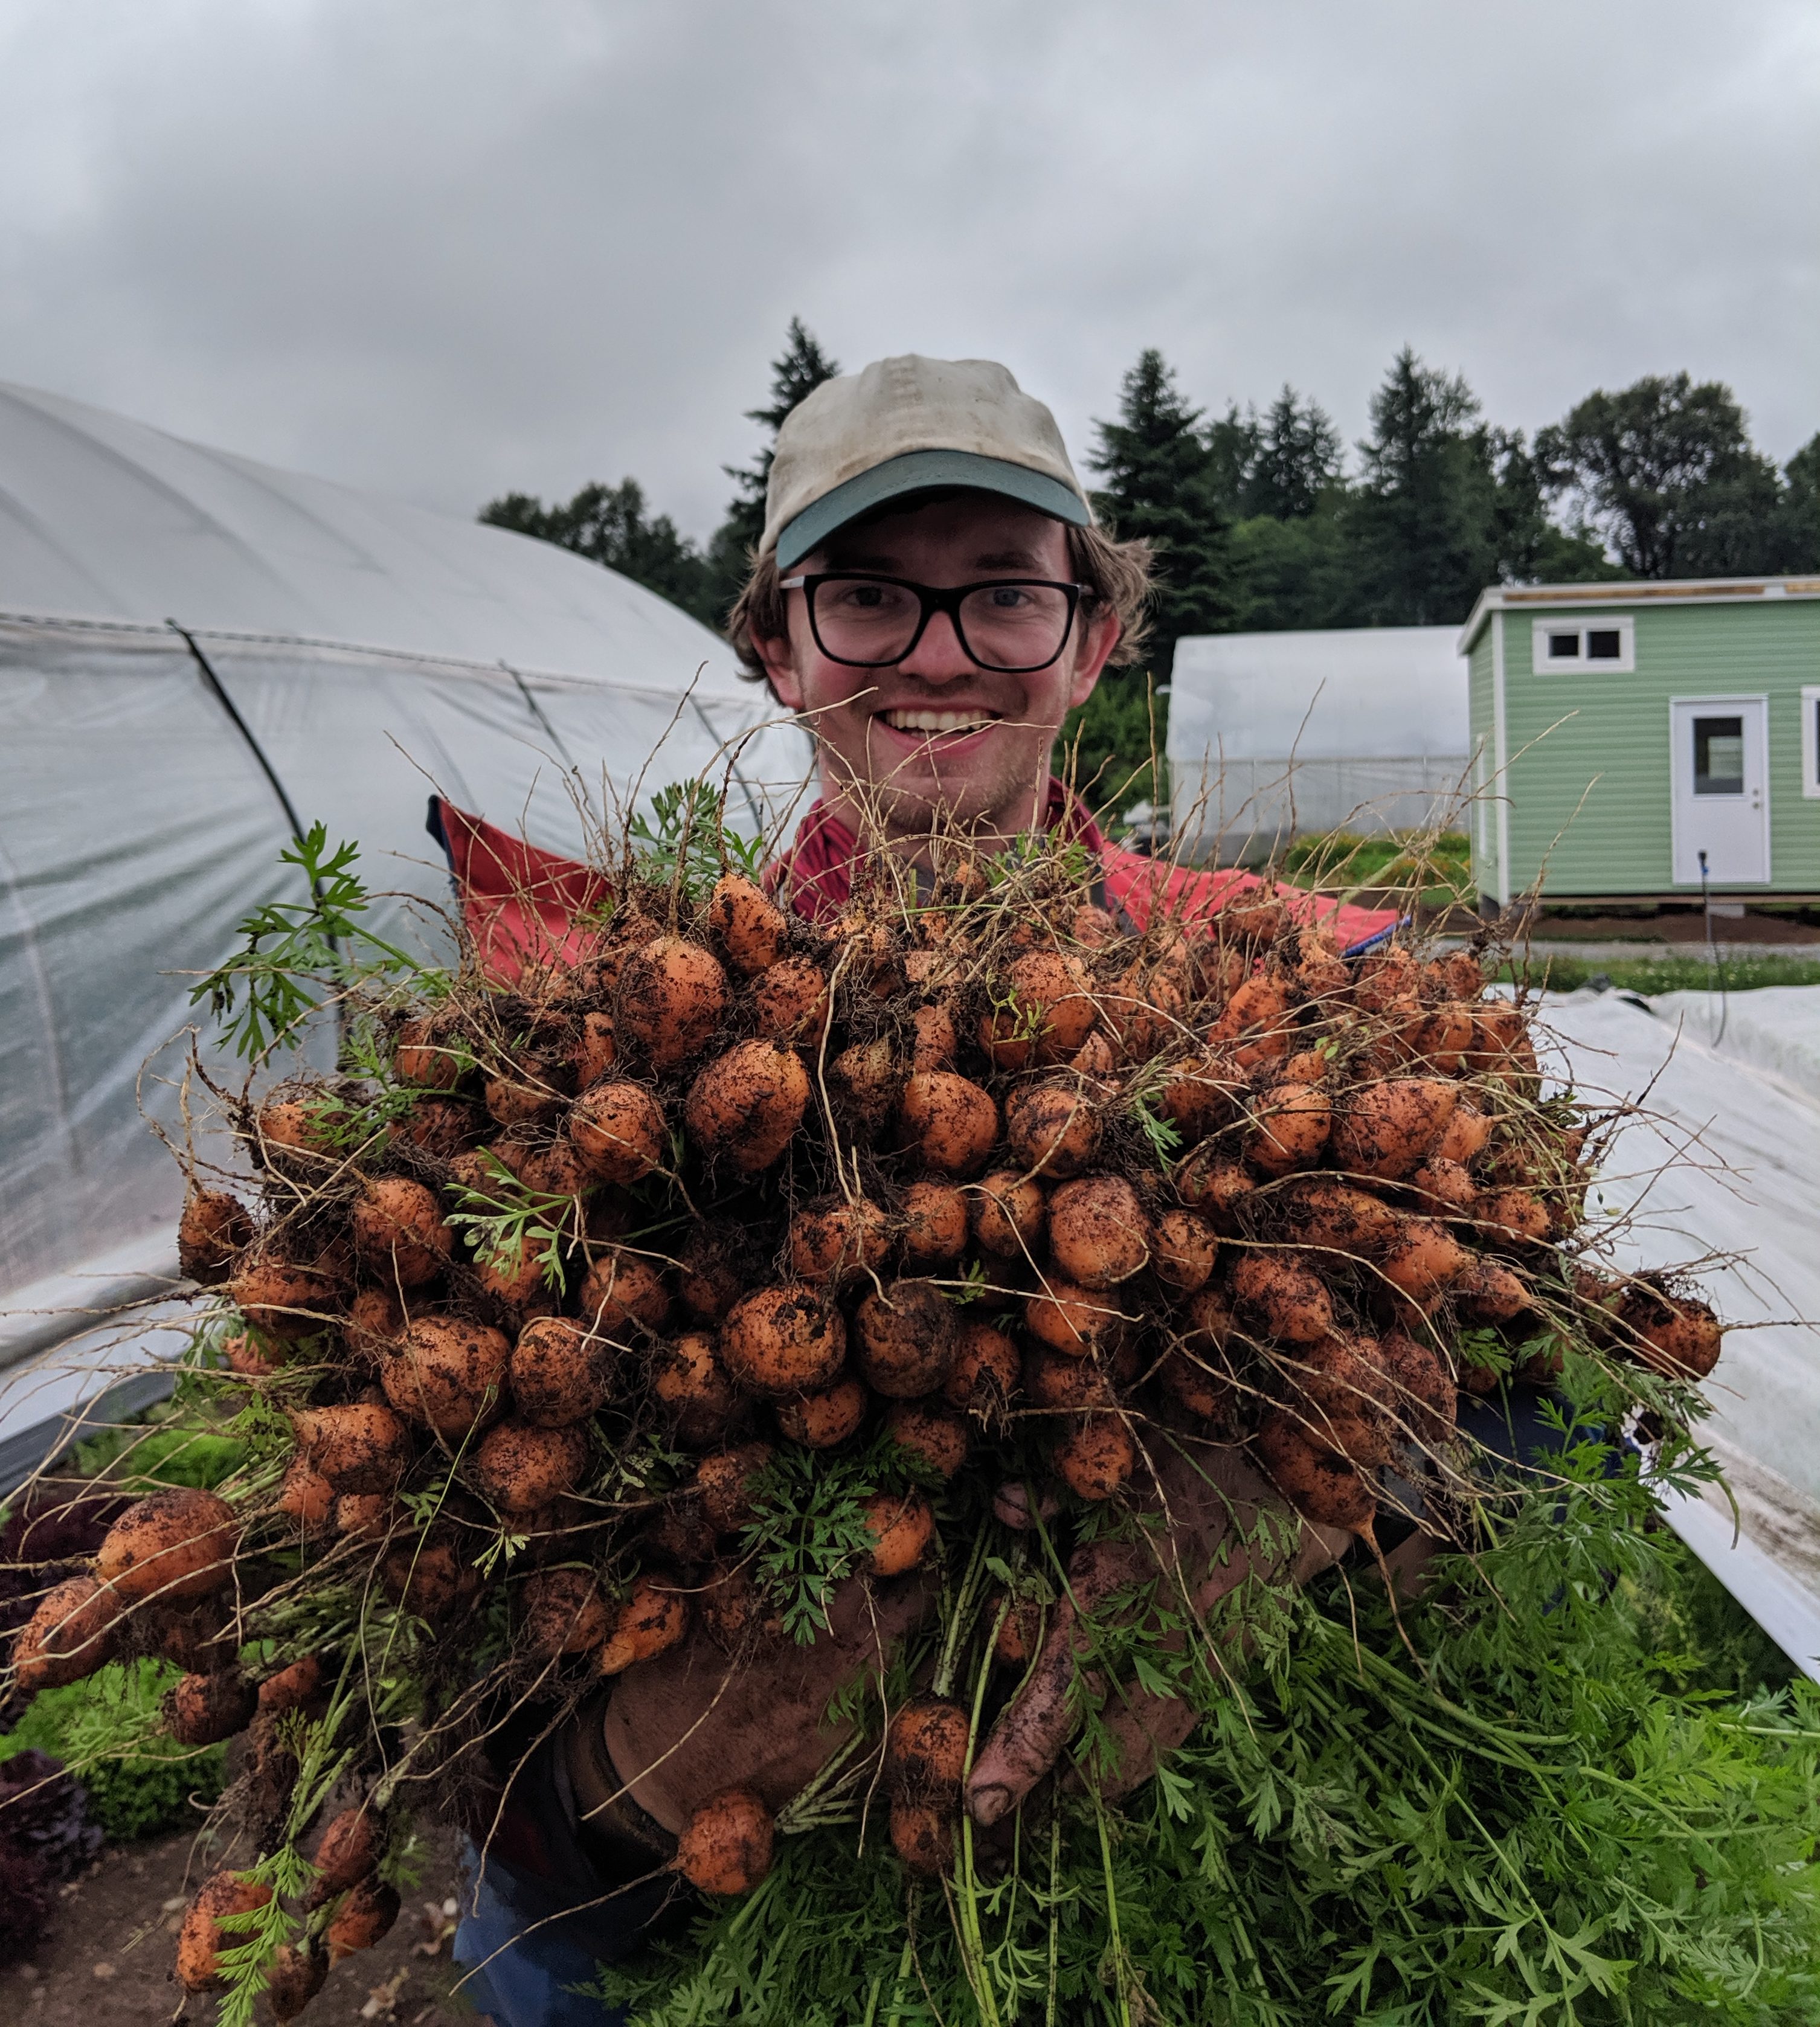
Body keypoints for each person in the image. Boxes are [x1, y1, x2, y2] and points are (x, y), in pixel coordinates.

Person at [442, 356, 1404, 2024]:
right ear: (776, 644)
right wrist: (624, 1776)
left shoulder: (1282, 977)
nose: (942, 654)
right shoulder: (587, 1026)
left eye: (1006, 598)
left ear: (1092, 639)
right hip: (675, 1937)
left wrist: (1285, 1483)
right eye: (870, 598)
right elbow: (435, 1605)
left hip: (1131, 1928)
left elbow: (1552, 1347)